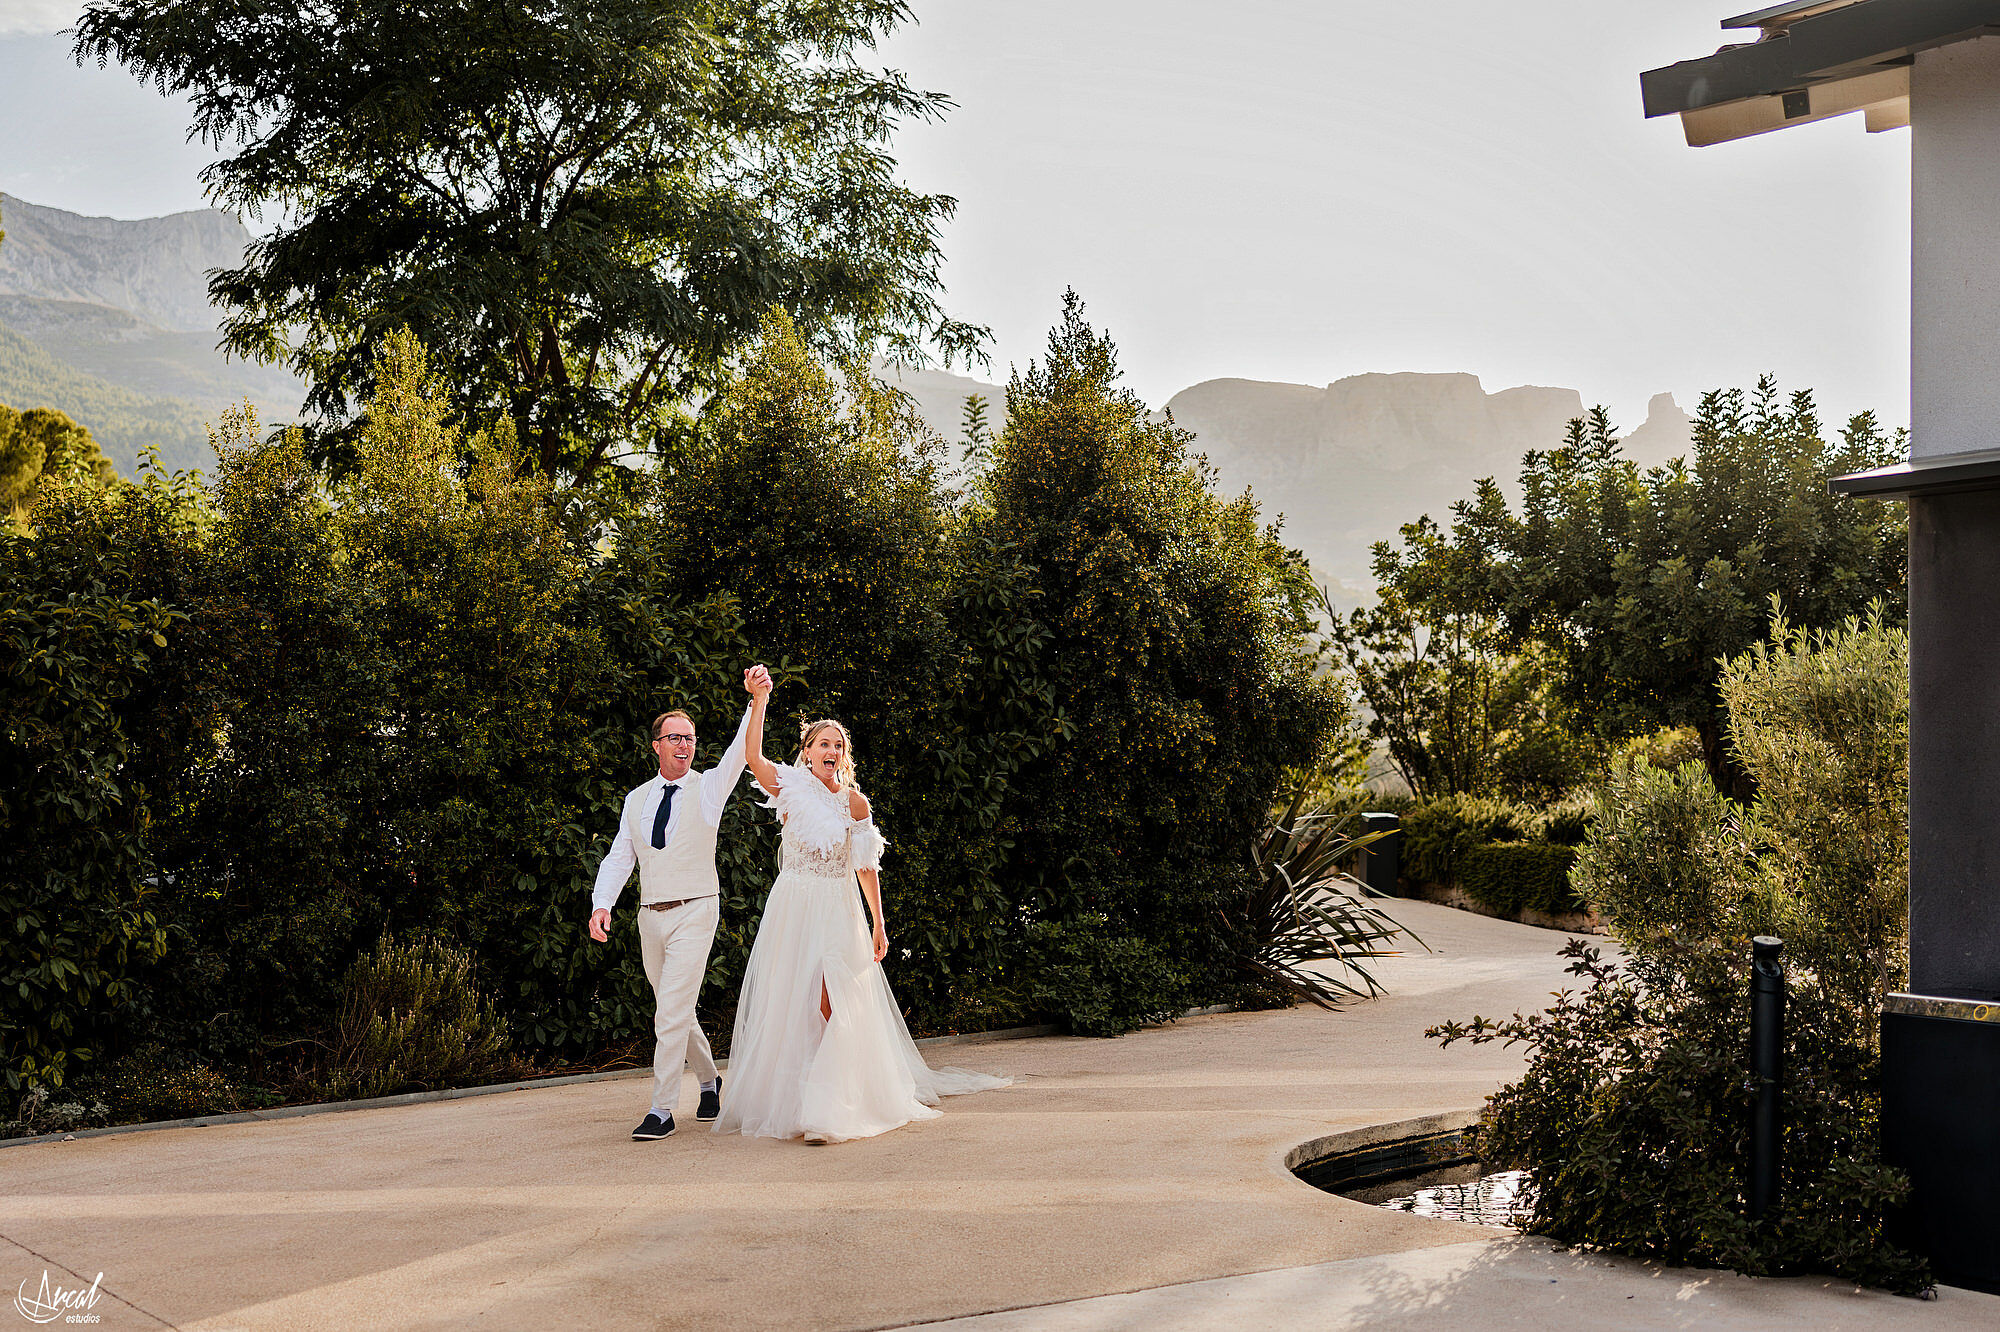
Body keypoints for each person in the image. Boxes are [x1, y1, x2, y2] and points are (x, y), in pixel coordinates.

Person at [712, 711, 1009, 1144]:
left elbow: (866, 867)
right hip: (794, 907)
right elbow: (751, 754)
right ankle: (798, 1103)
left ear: (844, 756)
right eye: (823, 744)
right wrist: (760, 700)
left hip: (837, 908)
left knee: (832, 1004)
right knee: (795, 1004)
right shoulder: (791, 788)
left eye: (838, 745)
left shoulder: (855, 803)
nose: (831, 751)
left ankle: (828, 1109)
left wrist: (879, 922)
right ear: (807, 752)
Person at [589, 665, 772, 1140]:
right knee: (677, 1010)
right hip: (651, 917)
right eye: (674, 738)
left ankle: (662, 1110)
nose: (684, 745)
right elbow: (618, 856)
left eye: (689, 738)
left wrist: (757, 700)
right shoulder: (636, 799)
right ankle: (710, 1080)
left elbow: (738, 752)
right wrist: (602, 903)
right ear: (656, 745)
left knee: (669, 1012)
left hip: (696, 909)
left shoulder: (708, 789)